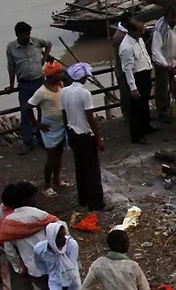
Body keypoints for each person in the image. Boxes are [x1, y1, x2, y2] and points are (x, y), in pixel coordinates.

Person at [61, 63, 104, 210]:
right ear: (83, 77)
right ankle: (96, 203)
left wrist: (67, 131)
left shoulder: (64, 92)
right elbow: (90, 117)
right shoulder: (85, 94)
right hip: (85, 134)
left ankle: (83, 198)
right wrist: (98, 137)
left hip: (72, 132)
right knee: (92, 170)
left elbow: (64, 114)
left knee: (79, 167)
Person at [6, 22, 52, 154]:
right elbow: (11, 68)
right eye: (25, 34)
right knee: (25, 113)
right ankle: (28, 142)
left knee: (43, 111)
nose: (28, 37)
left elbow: (48, 44)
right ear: (18, 35)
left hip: (39, 81)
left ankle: (43, 139)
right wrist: (11, 85)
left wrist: (44, 58)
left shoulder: (36, 41)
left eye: (29, 33)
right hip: (24, 84)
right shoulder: (11, 48)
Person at [0, 183, 56, 276]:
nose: (35, 200)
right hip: (55, 263)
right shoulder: (41, 214)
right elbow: (60, 229)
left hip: (34, 268)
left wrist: (18, 268)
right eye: (33, 197)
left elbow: (10, 251)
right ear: (24, 200)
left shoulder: (7, 223)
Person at [28, 62, 66, 192]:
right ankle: (47, 185)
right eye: (58, 73)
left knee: (59, 153)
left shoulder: (60, 85)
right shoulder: (41, 92)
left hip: (61, 124)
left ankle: (57, 179)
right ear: (51, 76)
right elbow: (29, 106)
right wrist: (36, 123)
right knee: (51, 156)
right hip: (49, 127)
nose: (61, 75)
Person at [119, 19, 155, 144]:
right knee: (136, 108)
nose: (142, 33)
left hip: (145, 74)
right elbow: (127, 70)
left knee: (144, 104)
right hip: (137, 77)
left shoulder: (139, 40)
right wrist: (133, 88)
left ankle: (146, 127)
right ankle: (137, 136)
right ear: (132, 31)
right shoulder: (126, 47)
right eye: (140, 31)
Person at [151, 6, 176, 121]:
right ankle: (162, 111)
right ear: (166, 17)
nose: (173, 20)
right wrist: (166, 65)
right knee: (162, 88)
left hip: (175, 60)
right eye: (171, 18)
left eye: (174, 17)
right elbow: (156, 50)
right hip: (162, 62)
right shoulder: (160, 29)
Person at [33, 220, 81, 290]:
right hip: (54, 286)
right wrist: (45, 284)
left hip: (72, 288)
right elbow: (41, 266)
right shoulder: (39, 249)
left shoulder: (71, 246)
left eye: (64, 235)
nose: (64, 239)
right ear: (52, 238)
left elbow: (69, 272)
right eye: (61, 237)